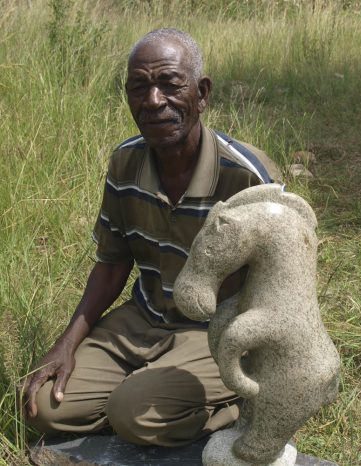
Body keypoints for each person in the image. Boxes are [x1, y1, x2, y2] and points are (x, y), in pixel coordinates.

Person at [23, 28, 280, 446]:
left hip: (217, 334)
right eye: (138, 87)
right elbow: (111, 263)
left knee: (133, 415)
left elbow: (281, 285)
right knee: (43, 406)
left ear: (202, 93)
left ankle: (233, 404)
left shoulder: (246, 176)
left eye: (169, 84)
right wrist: (66, 344)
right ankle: (147, 397)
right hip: (144, 319)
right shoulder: (126, 162)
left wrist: (256, 354)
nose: (153, 100)